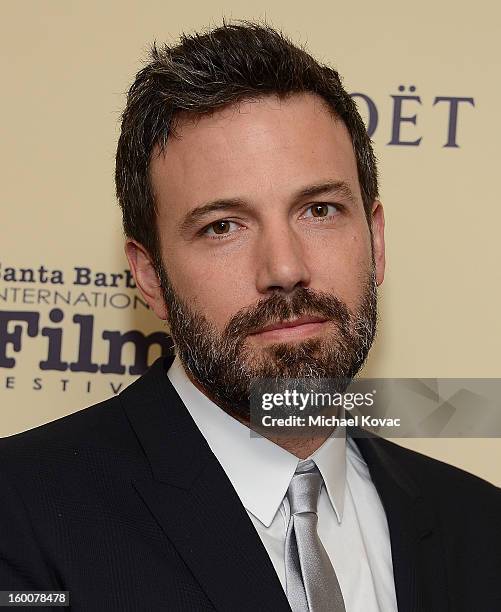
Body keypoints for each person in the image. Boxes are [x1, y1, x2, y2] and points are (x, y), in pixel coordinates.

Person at [0, 20, 500, 612]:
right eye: (223, 226)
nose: (284, 267)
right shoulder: (21, 518)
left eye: (319, 209)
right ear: (150, 275)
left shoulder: (481, 527)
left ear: (376, 239)